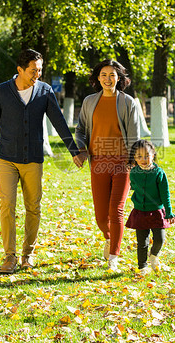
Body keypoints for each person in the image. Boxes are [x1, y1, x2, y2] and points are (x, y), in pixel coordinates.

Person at [0, 49, 84, 273]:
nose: (38, 74)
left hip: (33, 158)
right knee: (7, 206)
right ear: (20, 70)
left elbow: (58, 121)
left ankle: (28, 255)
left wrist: (73, 150)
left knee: (33, 207)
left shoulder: (44, 91)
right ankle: (9, 256)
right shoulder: (2, 91)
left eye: (40, 70)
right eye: (33, 70)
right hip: (7, 158)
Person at [75, 59, 140, 272]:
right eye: (103, 74)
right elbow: (81, 129)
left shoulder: (128, 102)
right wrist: (81, 149)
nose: (107, 79)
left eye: (112, 75)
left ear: (119, 78)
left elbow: (134, 135)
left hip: (123, 163)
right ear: (97, 78)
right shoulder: (89, 101)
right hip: (98, 163)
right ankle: (110, 238)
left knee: (116, 211)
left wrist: (133, 163)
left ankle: (114, 256)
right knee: (101, 217)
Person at [125, 139, 175, 275]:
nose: (143, 159)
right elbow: (134, 188)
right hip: (140, 212)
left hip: (157, 212)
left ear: (153, 154)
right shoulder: (134, 172)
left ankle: (153, 254)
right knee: (142, 242)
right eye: (139, 156)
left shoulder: (159, 173)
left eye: (147, 155)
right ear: (134, 158)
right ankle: (142, 267)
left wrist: (169, 212)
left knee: (160, 239)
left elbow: (165, 194)